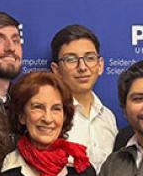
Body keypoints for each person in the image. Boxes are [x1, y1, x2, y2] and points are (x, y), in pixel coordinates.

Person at [49, 24, 118, 167]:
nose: (82, 67)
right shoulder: (50, 117)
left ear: (100, 66)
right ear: (56, 70)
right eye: (71, 59)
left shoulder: (108, 117)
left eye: (90, 58)